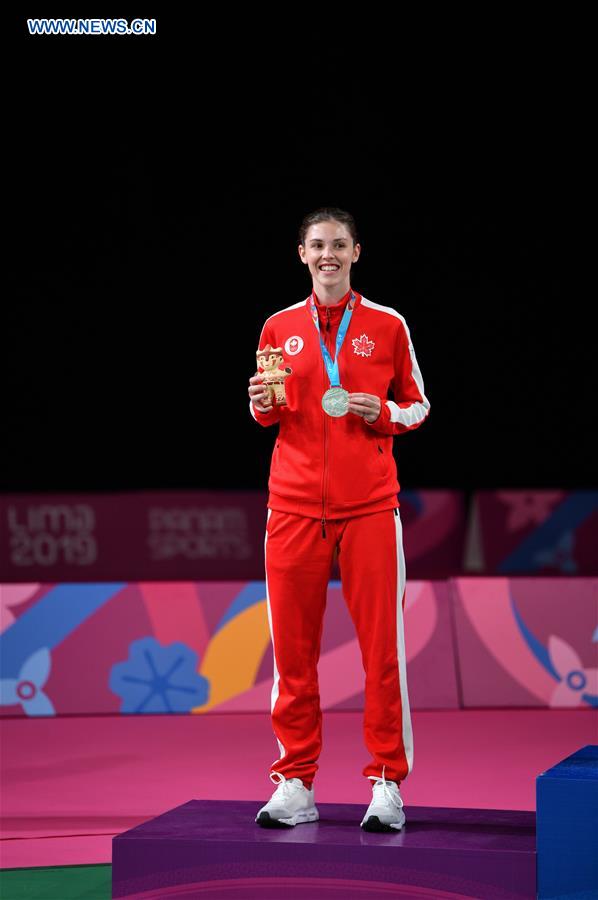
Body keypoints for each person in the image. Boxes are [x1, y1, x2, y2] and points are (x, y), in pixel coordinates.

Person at [247, 207, 431, 832]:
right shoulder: (277, 326)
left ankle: (386, 784)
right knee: (292, 657)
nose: (329, 254)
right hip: (292, 508)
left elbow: (417, 405)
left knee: (383, 653)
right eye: (317, 245)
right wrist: (259, 405)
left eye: (340, 245)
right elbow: (274, 413)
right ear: (301, 253)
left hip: (371, 509)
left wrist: (378, 410)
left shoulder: (387, 325)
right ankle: (295, 782)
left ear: (357, 252)